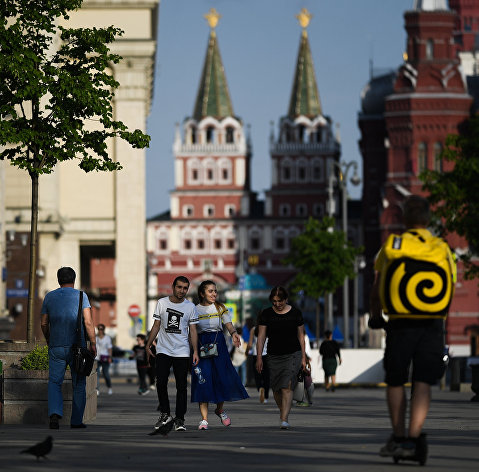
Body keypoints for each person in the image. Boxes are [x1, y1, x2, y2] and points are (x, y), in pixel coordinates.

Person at [369, 195, 456, 461]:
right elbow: (450, 285)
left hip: (400, 321)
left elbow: (378, 287)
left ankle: (398, 437)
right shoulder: (442, 247)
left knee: (396, 379)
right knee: (423, 381)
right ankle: (414, 438)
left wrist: (376, 316)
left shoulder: (393, 244)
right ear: (428, 220)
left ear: (404, 219)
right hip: (431, 322)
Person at [40, 267, 96, 429]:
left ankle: (54, 414)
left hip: (56, 346)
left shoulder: (49, 297)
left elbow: (44, 323)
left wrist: (50, 338)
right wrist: (93, 343)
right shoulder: (81, 296)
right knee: (79, 384)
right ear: (74, 279)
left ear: (58, 280)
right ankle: (76, 421)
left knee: (54, 382)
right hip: (77, 347)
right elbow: (88, 322)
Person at [191, 280, 249, 430]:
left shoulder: (220, 307)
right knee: (202, 380)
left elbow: (228, 324)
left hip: (219, 345)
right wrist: (193, 350)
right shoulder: (194, 310)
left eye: (215, 291)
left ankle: (219, 409)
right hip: (202, 344)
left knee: (222, 379)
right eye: (210, 291)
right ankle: (204, 419)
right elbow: (191, 331)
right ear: (202, 293)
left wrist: (234, 334)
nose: (214, 294)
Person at [146, 276, 199, 433]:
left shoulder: (190, 307)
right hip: (163, 349)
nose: (182, 291)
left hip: (182, 351)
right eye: (179, 287)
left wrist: (195, 350)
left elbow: (193, 331)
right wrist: (148, 344)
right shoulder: (162, 303)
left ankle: (180, 419)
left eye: (185, 288)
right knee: (160, 382)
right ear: (173, 287)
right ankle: (165, 414)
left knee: (181, 386)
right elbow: (156, 325)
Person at [256, 286, 306, 430]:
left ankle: (284, 419)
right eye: (274, 302)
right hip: (273, 355)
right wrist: (259, 357)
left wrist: (303, 357)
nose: (277, 304)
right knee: (276, 388)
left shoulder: (296, 313)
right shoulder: (266, 314)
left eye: (280, 301)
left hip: (293, 354)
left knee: (287, 385)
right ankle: (283, 411)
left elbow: (301, 336)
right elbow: (261, 337)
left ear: (286, 299)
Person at [246, 323, 270, 403]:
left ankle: (260, 387)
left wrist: (246, 351)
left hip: (256, 355)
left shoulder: (254, 329)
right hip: (266, 355)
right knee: (266, 376)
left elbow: (249, 344)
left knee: (257, 375)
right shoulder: (268, 328)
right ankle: (266, 397)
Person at [95, 323, 113, 396]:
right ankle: (97, 389)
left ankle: (109, 387)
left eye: (101, 329)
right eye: (99, 329)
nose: (100, 331)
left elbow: (109, 348)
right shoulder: (95, 338)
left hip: (105, 357)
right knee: (97, 374)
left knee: (106, 374)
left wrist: (110, 357)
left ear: (104, 330)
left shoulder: (107, 338)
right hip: (97, 358)